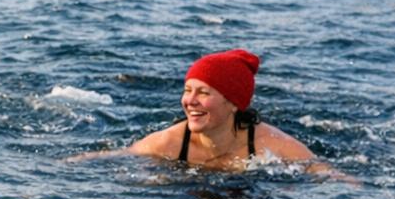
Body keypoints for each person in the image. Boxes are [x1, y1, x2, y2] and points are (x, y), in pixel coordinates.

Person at [123, 49, 316, 168]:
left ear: (233, 103)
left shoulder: (274, 145)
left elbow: (329, 176)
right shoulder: (166, 143)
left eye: (203, 93)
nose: (190, 100)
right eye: (187, 90)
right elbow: (109, 160)